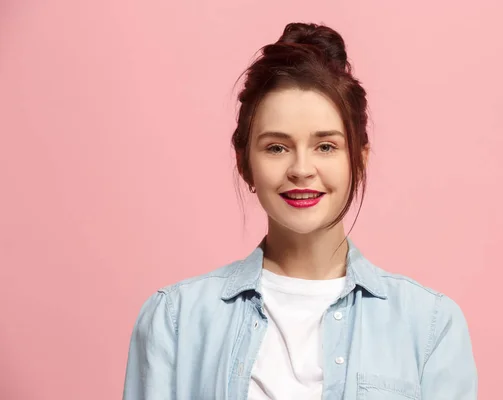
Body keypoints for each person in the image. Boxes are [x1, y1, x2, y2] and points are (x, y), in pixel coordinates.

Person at [122, 22, 478, 400]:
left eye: (326, 146)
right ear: (245, 164)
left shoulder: (429, 326)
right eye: (276, 147)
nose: (301, 169)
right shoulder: (175, 320)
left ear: (359, 159)